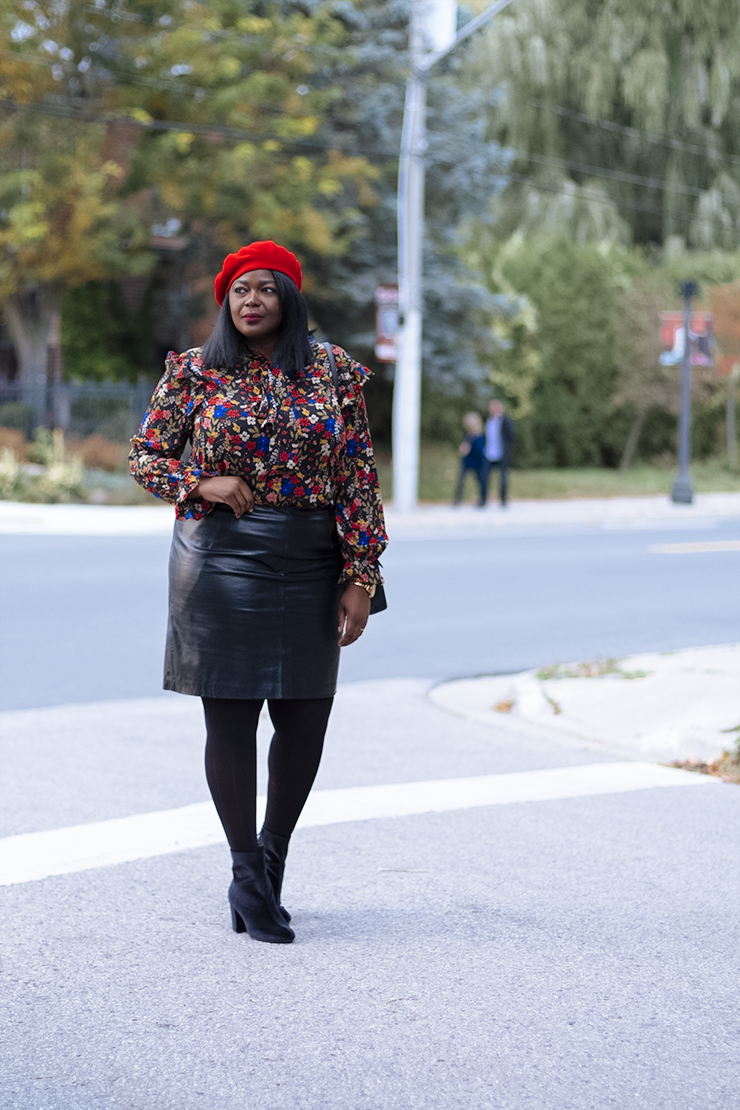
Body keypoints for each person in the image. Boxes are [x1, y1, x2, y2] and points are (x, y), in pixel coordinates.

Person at [129, 240, 387, 945]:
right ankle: (246, 873)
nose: (250, 301)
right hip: (220, 556)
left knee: (306, 718)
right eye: (239, 290)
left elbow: (359, 477)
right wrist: (199, 482)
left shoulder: (333, 372)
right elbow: (145, 456)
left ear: (289, 300)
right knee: (233, 718)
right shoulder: (194, 373)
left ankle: (271, 860)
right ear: (226, 301)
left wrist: (361, 576)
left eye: (265, 289)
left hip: (311, 557)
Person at [481, 399, 515, 507]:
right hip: (488, 453)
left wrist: (506, 448)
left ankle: (503, 500)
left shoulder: (505, 420)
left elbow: (511, 436)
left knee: (503, 478)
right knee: (485, 477)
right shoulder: (488, 420)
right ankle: (483, 499)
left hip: (501, 454)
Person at [453, 412, 486, 506]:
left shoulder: (479, 435)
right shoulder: (468, 435)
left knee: (479, 481)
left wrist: (468, 449)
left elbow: (479, 450)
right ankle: (458, 498)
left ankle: (482, 499)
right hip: (467, 460)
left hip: (476, 460)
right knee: (462, 480)